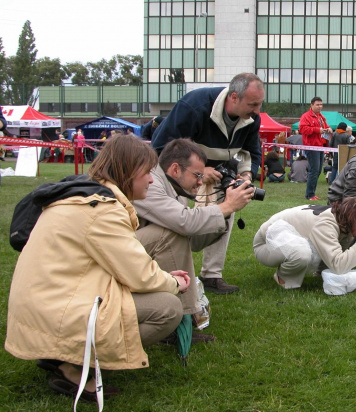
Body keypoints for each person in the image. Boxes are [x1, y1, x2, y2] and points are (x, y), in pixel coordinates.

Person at [5, 136, 191, 402]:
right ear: (128, 172)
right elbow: (137, 274)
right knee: (167, 309)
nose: (151, 180)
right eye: (147, 172)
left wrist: (161, 276)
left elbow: (124, 263)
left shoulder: (85, 194)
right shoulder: (102, 209)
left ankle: (61, 353)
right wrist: (174, 284)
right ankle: (73, 364)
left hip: (43, 305)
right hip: (53, 310)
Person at [150, 72, 264, 294]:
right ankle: (173, 273)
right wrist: (199, 172)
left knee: (228, 208)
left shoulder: (252, 119)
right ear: (233, 97)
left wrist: (246, 176)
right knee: (177, 221)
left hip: (221, 173)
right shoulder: (193, 107)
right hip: (179, 174)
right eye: (252, 104)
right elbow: (161, 147)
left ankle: (212, 275)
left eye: (259, 104)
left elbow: (251, 152)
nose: (257, 111)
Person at [133, 138, 253, 336]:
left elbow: (191, 241)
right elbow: (184, 223)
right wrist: (227, 206)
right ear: (175, 169)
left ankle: (183, 316)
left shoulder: (174, 187)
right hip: (113, 258)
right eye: (197, 175)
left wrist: (224, 213)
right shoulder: (152, 184)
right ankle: (185, 317)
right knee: (168, 233)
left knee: (172, 233)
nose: (200, 181)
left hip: (128, 252)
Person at [253, 197, 356, 289]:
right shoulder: (327, 224)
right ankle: (284, 278)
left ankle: (319, 272)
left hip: (280, 241)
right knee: (302, 254)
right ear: (353, 216)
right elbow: (339, 265)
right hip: (266, 245)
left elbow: (348, 253)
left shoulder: (342, 221)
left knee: (320, 249)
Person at [299, 96, 331, 201]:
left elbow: (325, 127)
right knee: (314, 170)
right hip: (311, 146)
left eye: (321, 104)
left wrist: (329, 129)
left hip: (320, 146)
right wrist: (318, 130)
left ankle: (312, 193)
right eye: (317, 104)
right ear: (311, 105)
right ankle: (310, 194)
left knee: (317, 171)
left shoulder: (321, 117)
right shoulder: (306, 116)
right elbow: (303, 129)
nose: (320, 106)